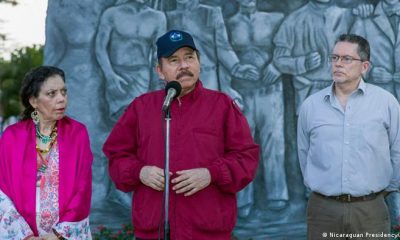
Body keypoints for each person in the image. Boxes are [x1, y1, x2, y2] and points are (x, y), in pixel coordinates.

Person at [103, 30, 259, 240]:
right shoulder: (141, 108)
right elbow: (117, 157)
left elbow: (246, 159)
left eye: (189, 57)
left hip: (208, 232)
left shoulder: (222, 106)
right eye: (174, 60)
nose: (184, 65)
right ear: (160, 70)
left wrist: (211, 174)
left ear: (198, 62)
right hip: (154, 232)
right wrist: (140, 172)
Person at [297, 34, 400, 239]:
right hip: (323, 210)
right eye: (334, 58)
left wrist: (383, 191)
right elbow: (304, 153)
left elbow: (397, 151)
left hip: (371, 210)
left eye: (346, 59)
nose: (338, 64)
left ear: (364, 66)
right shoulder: (311, 105)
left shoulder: (386, 103)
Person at [0, 66, 93, 239]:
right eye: (52, 94)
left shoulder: (78, 133)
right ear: (34, 101)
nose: (61, 99)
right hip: (21, 232)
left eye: (63, 92)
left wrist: (58, 234)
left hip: (63, 233)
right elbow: (1, 190)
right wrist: (24, 235)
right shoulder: (12, 136)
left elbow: (83, 187)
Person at [226, 0, 287, 215]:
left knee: (274, 142)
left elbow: (287, 47)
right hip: (242, 92)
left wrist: (276, 65)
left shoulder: (276, 19)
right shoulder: (229, 22)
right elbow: (221, 53)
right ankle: (243, 198)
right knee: (241, 145)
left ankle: (277, 195)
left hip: (270, 91)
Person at [165, 0, 259, 108]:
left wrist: (236, 67)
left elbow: (222, 46)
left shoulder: (211, 13)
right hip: (178, 79)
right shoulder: (167, 17)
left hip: (207, 78)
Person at [95, 0, 166, 120]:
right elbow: (100, 48)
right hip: (117, 75)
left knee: (140, 120)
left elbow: (158, 54)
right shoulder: (112, 14)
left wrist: (157, 86)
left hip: (142, 77)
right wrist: (110, 76)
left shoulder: (158, 17)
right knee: (120, 120)